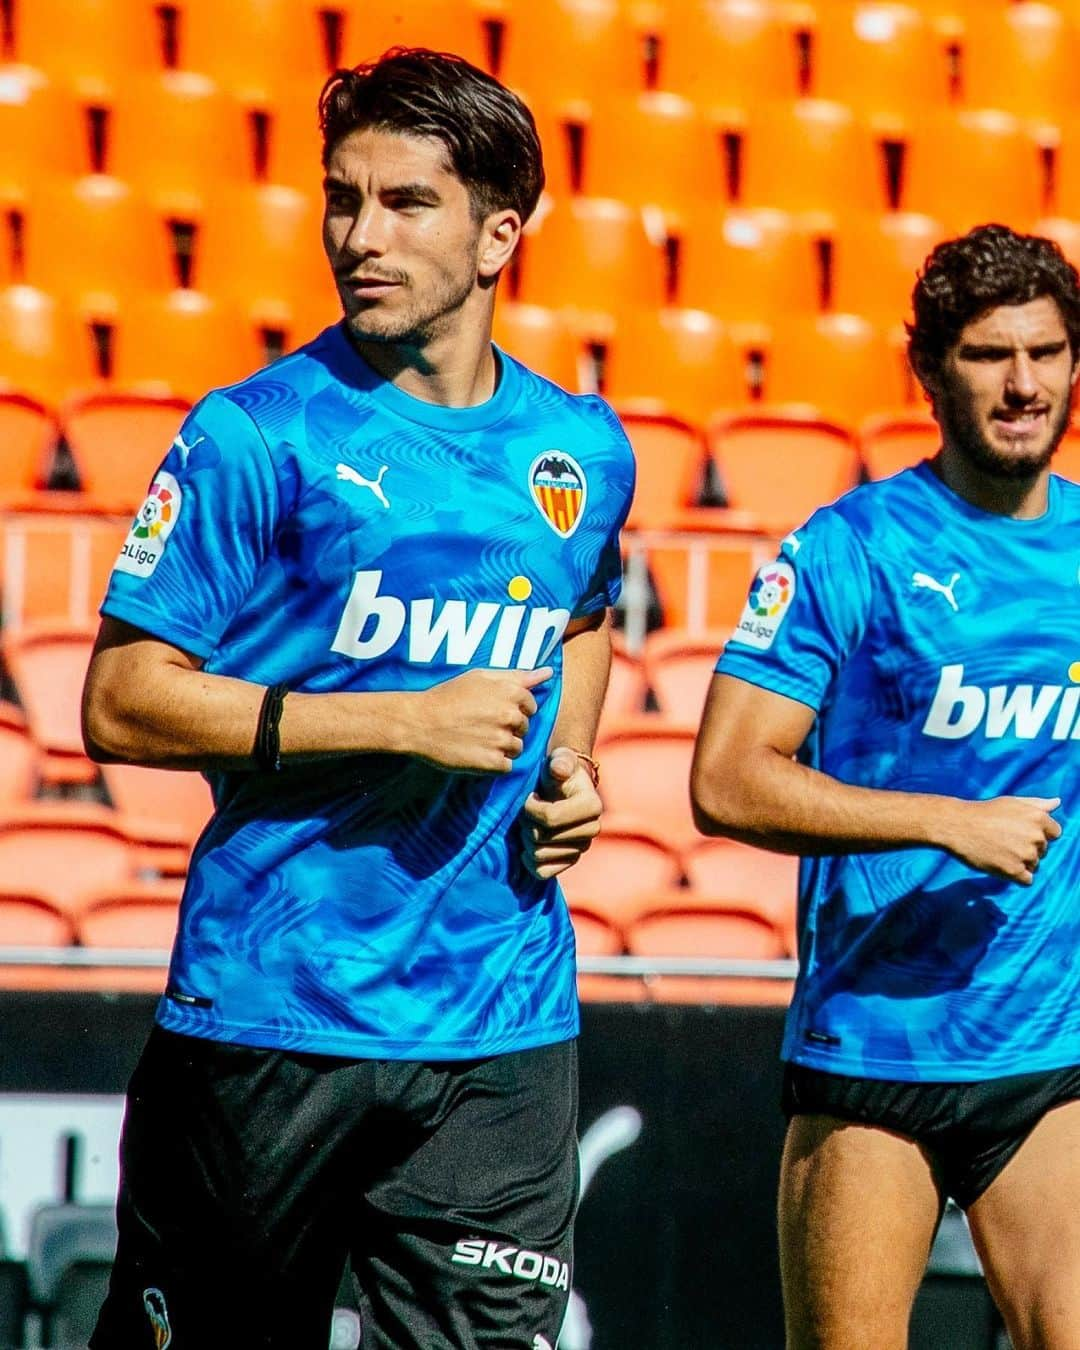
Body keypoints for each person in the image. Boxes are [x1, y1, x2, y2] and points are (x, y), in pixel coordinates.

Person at [82, 48, 634, 1350]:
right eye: (343, 199)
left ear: (502, 231)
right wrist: (398, 719)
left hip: (501, 1023)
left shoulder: (581, 448)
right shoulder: (255, 434)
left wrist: (574, 769)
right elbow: (121, 697)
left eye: (404, 204)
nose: (357, 236)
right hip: (275, 1006)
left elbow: (584, 618)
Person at [690, 224, 1080, 1350]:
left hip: (1047, 1056)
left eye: (1047, 354)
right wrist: (941, 823)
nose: (1023, 385)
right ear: (929, 371)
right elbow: (725, 778)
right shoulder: (847, 547)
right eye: (989, 355)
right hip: (874, 1052)